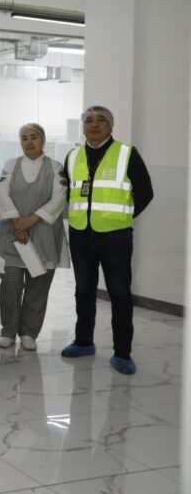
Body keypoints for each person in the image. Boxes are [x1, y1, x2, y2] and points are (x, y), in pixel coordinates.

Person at [61, 106, 153, 375]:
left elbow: (145, 192)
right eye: (89, 120)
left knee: (120, 293)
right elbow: (69, 193)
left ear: (111, 126)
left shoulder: (127, 153)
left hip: (115, 237)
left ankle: (122, 353)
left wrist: (121, 218)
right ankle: (83, 342)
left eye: (101, 120)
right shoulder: (73, 156)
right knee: (84, 290)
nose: (94, 124)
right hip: (80, 234)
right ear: (83, 127)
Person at [0, 123, 68, 351]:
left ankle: (29, 332)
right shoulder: (11, 165)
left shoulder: (55, 167)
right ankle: (8, 331)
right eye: (24, 138)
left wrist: (30, 221)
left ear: (43, 140)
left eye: (34, 137)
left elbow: (59, 198)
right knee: (11, 286)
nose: (29, 142)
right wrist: (18, 222)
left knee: (38, 287)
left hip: (44, 236)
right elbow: (2, 194)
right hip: (12, 235)